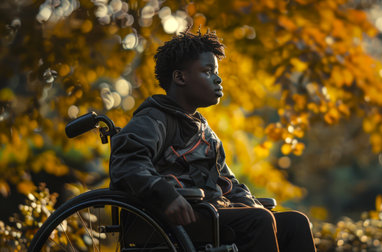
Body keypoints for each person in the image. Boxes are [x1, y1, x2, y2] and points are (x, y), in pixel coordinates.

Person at [109, 29, 316, 252]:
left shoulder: (205, 132)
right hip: (170, 217)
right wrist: (165, 195)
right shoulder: (153, 119)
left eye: (216, 72)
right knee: (258, 221)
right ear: (180, 77)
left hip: (209, 211)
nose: (218, 79)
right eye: (208, 71)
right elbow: (126, 163)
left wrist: (250, 202)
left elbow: (226, 181)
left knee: (295, 222)